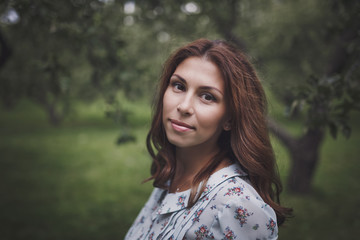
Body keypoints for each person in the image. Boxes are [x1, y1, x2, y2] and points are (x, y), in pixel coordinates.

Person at [125, 39, 292, 240]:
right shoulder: (172, 175)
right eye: (178, 86)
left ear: (230, 118)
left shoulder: (237, 207)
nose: (184, 106)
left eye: (207, 97)